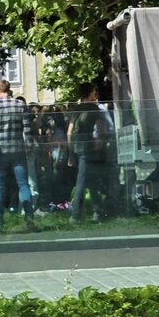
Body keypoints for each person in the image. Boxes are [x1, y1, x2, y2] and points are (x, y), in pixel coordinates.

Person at [0, 79, 37, 233]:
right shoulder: (21, 105)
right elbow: (27, 131)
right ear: (9, 89)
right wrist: (29, 147)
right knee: (23, 185)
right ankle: (29, 219)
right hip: (18, 150)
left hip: (0, 153)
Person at [67, 82, 108, 222]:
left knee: (90, 178)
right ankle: (75, 215)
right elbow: (101, 129)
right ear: (90, 92)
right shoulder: (93, 108)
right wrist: (101, 141)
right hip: (88, 145)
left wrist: (70, 153)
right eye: (94, 91)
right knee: (82, 180)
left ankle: (97, 210)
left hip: (76, 145)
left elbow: (69, 132)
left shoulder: (76, 108)